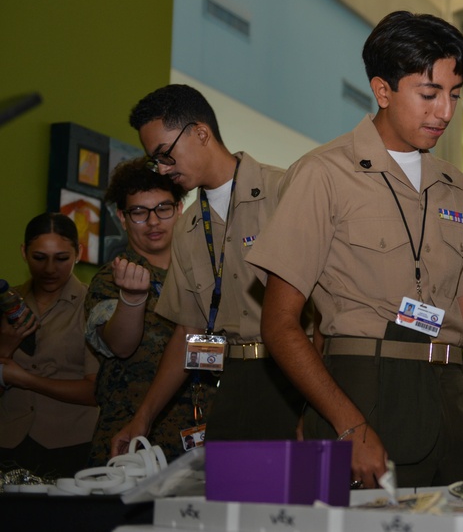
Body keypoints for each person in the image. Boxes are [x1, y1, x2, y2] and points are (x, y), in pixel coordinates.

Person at [248, 11, 463, 488]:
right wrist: (349, 426)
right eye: (429, 94)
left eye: (455, 95)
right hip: (364, 391)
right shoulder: (323, 174)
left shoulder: (456, 186)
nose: (445, 113)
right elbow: (280, 323)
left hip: (455, 401)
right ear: (383, 90)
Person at [109, 84, 302, 455]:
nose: (163, 169)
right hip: (229, 387)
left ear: (201, 133)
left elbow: (326, 310)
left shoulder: (285, 192)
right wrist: (143, 418)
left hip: (292, 378)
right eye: (155, 161)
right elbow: (188, 331)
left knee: (289, 510)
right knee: (225, 507)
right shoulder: (186, 227)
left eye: (166, 155)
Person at [85, 158, 215, 465]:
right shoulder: (112, 277)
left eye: (163, 209)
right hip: (134, 441)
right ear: (122, 217)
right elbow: (120, 345)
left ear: (180, 209)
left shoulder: (207, 273)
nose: (154, 222)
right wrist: (131, 298)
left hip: (204, 435)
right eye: (140, 212)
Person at [0, 213, 98, 477]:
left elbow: (96, 391)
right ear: (23, 252)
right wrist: (5, 349)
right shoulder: (7, 303)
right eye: (39, 258)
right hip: (8, 443)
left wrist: (25, 379)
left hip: (70, 446)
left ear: (78, 253)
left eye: (62, 258)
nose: (50, 269)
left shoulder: (92, 305)